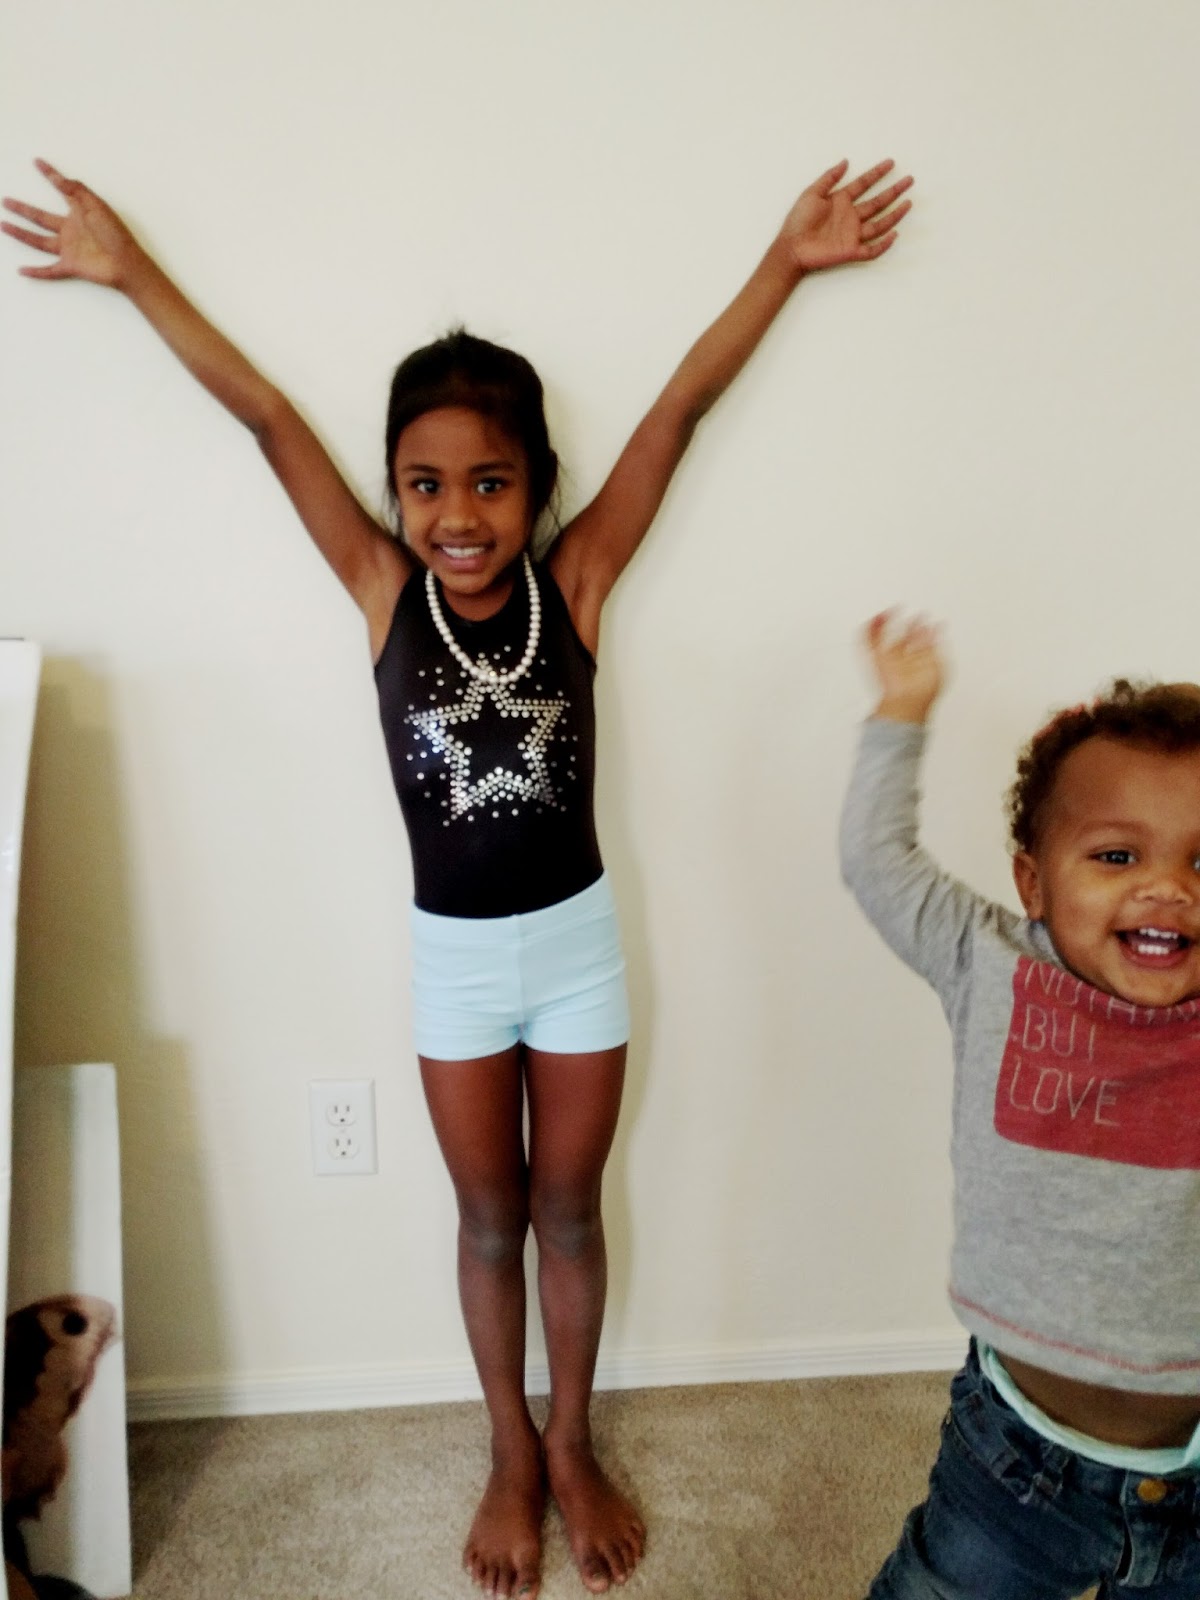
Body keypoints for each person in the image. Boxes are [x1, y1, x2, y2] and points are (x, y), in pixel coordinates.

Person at [3, 155, 912, 1598]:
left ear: (537, 486)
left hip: (578, 948)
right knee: (489, 1220)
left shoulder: (577, 585)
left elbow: (679, 407)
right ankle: (507, 1449)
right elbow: (267, 417)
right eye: (425, 486)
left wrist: (783, 262)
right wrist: (131, 274)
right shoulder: (383, 595)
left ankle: (573, 1441)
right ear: (397, 496)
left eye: (491, 482)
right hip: (458, 965)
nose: (460, 514)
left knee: (570, 1211)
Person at [843, 612, 1200, 1599]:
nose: (1167, 888)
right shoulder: (990, 962)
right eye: (1117, 857)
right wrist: (901, 713)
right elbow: (877, 862)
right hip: (1017, 1466)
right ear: (1033, 884)